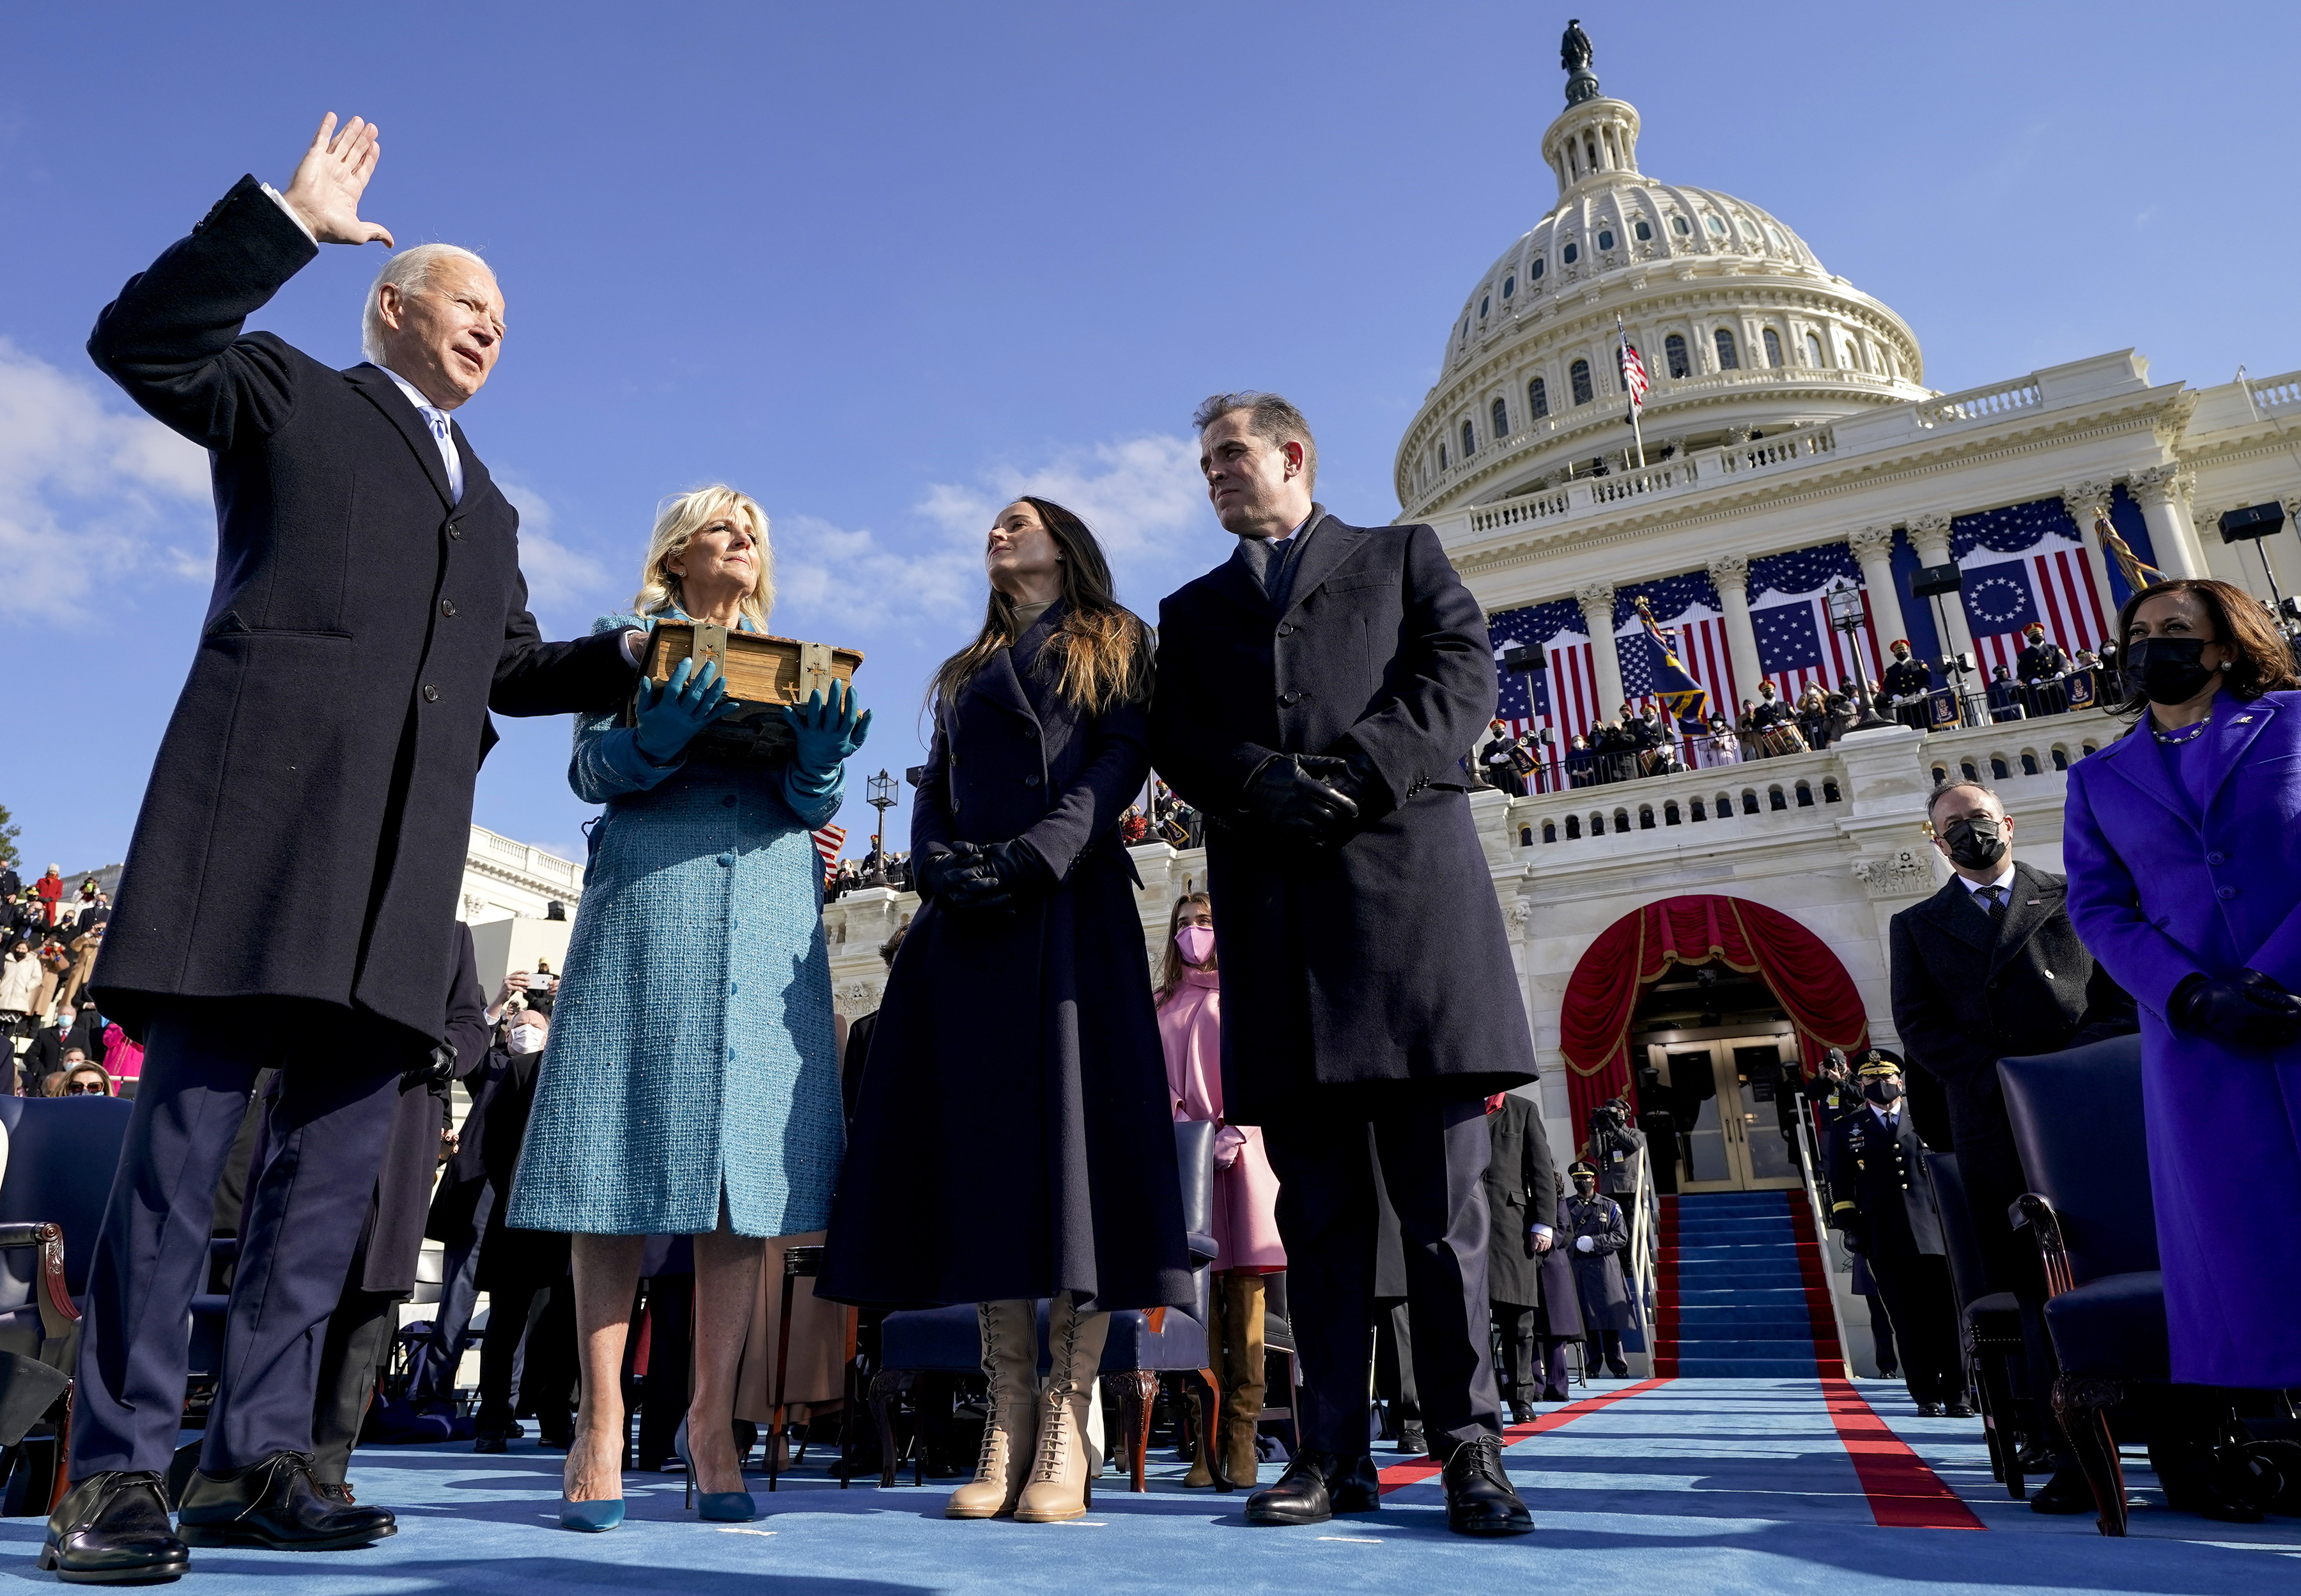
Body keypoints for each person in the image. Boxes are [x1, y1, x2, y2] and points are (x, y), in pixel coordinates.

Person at [43, 115, 642, 1584]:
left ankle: (261, 1461)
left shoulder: (491, 500)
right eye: (468, 299)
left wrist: (631, 654)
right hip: (254, 840)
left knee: (321, 1194)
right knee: (182, 1170)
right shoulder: (286, 391)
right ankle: (113, 1473)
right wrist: (282, 223)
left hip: (396, 885)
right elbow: (140, 337)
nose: (494, 322)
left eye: (506, 313)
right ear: (391, 303)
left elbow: (506, 663)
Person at [1146, 392, 1536, 1537]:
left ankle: (1470, 1448)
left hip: (1412, 925)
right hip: (1284, 938)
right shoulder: (1194, 607)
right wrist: (1258, 779)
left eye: (1230, 454)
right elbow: (1175, 735)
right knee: (1316, 1225)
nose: (1214, 473)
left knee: (1441, 1219)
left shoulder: (1401, 555)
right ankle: (1331, 1456)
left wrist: (1361, 772)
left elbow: (1460, 679)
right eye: (1204, 461)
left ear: (1293, 455)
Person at [823, 495, 1191, 1526]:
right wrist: (939, 866)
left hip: (1068, 911)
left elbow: (1121, 761)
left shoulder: (1117, 641)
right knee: (988, 1167)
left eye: (1019, 520)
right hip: (971, 925)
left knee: (1071, 1160)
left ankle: (1066, 1421)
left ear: (1064, 543)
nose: (999, 530)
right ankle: (1009, 1410)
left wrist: (1039, 854)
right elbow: (934, 782)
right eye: (992, 522)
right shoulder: (962, 670)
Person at [506, 485, 868, 1530]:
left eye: (755, 525)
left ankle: (714, 1423)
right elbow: (589, 768)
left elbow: (809, 807)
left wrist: (822, 763)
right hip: (650, 907)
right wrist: (652, 740)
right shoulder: (629, 652)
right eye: (721, 525)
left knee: (738, 1179)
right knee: (613, 1166)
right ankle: (598, 1418)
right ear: (676, 555)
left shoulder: (796, 664)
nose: (743, 536)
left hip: (766, 913)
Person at [2061, 577, 2301, 1394]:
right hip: (2201, 1042)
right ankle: (2271, 1413)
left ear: (2225, 646)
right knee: (2244, 1237)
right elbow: (2098, 909)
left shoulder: (2295, 721)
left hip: (2295, 1003)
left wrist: (2273, 973)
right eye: (2136, 634)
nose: (2149, 645)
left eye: (2173, 628)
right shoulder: (2096, 780)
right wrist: (2191, 994)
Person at [1890, 778, 2135, 1507]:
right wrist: (1998, 1075)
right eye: (1953, 826)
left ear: (2009, 821)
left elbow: (2119, 996)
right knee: (2040, 1292)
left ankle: (2182, 1446)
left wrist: (2070, 1069)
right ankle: (2073, 1455)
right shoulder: (1918, 924)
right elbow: (1919, 1027)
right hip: (1999, 1125)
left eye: (1979, 819)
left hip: (2092, 1115)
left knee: (2127, 1265)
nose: (1970, 833)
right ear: (1935, 842)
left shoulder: (2071, 895)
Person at [1156, 892, 1284, 1489]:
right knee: (1197, 1301)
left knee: (1247, 1296)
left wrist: (1239, 1126)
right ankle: (1203, 1447)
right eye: (1183, 924)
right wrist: (1185, 1129)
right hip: (1186, 1163)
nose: (1193, 932)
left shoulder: (1245, 993)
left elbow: (1262, 1065)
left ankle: (1242, 1438)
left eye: (1204, 921)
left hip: (1243, 1156)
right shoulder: (1158, 1004)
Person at [1824, 1052, 1965, 1416]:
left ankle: (1958, 1394)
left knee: (1947, 1317)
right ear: (1861, 1085)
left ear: (1901, 1080)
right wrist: (1850, 1226)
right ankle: (1927, 1396)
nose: (1880, 1085)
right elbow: (1840, 1185)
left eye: (1886, 1078)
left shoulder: (1928, 1118)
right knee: (1906, 1319)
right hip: (1883, 1236)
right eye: (1870, 1081)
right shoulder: (1846, 1128)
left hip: (1936, 1233)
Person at [1480, 1091, 1559, 1422]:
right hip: (1462, 1223)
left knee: (1518, 1320)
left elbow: (1541, 1169)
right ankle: (1481, 1399)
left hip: (1511, 1227)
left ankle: (1521, 1397)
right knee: (1470, 1321)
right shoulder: (1457, 1106)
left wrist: (1544, 1223)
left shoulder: (1523, 1109)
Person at [1561, 1161, 1631, 1377]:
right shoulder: (1566, 1206)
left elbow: (1621, 1236)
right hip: (1579, 1268)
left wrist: (1595, 1242)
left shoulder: (1609, 1206)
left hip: (1604, 1269)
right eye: (1577, 1179)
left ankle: (1618, 1366)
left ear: (1594, 1180)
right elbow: (1561, 1234)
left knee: (1610, 1319)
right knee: (1586, 1320)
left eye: (1586, 1178)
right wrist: (1575, 1245)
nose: (1582, 1182)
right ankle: (1592, 1367)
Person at [1881, 640, 1935, 731]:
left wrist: (1924, 689)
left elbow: (1927, 677)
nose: (1902, 652)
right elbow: (1888, 686)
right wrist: (1894, 695)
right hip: (1904, 705)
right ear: (1895, 655)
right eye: (1898, 651)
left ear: (1908, 651)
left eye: (1904, 650)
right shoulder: (1891, 671)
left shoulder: (1918, 664)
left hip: (1921, 702)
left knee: (1928, 726)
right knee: (1909, 729)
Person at [2017, 622, 2068, 717]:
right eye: (2033, 635)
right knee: (2046, 714)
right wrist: (2031, 679)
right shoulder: (2024, 655)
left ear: (2043, 635)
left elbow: (2063, 661)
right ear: (2028, 638)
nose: (2036, 636)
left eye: (2038, 634)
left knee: (2065, 711)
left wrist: (2061, 671)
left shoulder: (2054, 648)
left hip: (2057, 688)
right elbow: (2022, 671)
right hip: (2040, 692)